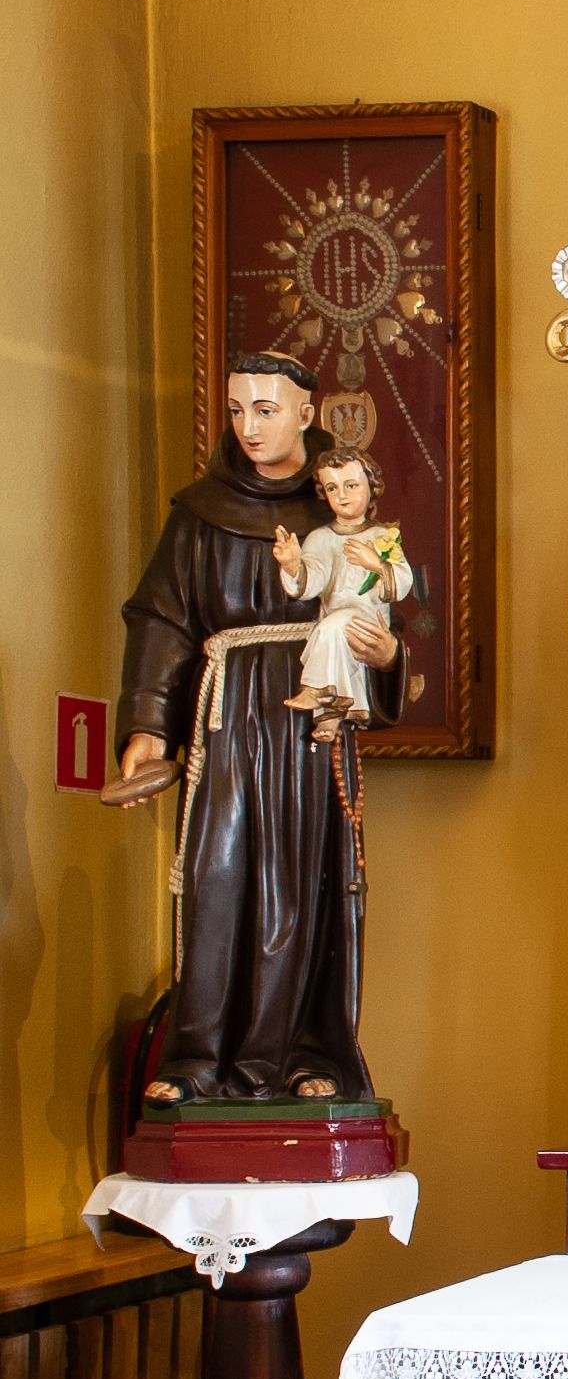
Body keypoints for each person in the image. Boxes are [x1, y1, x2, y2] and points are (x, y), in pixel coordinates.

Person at [117, 353, 404, 1104]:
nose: (249, 426)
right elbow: (162, 619)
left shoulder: (338, 512)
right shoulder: (199, 512)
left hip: (311, 713)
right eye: (238, 409)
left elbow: (379, 610)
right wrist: (148, 726)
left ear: (307, 414)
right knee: (214, 878)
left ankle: (302, 1055)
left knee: (302, 881)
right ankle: (196, 1061)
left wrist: (386, 654)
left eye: (267, 410)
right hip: (226, 714)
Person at [276, 443, 413, 740]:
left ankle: (315, 689)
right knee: (331, 631)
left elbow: (401, 583)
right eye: (332, 488)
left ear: (371, 487)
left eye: (351, 485)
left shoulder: (382, 537)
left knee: (332, 628)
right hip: (336, 616)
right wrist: (293, 566)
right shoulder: (320, 538)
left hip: (367, 619)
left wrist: (376, 564)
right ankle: (331, 718)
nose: (342, 495)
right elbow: (312, 581)